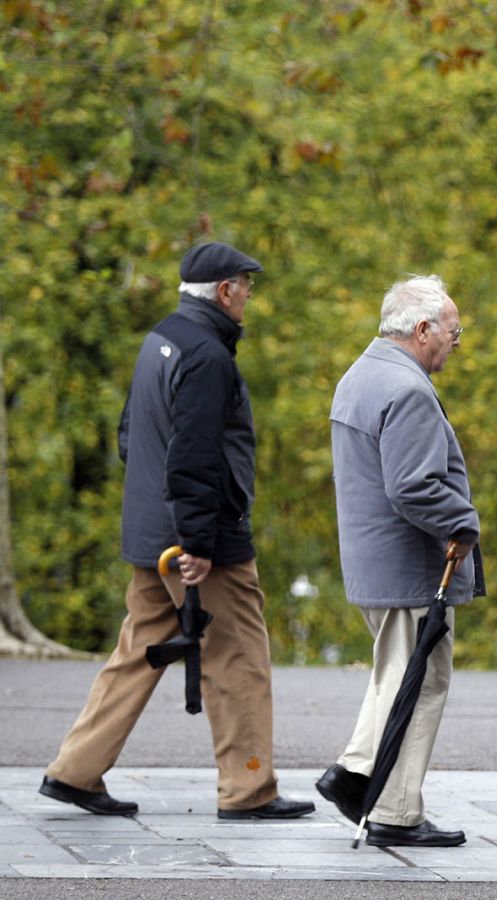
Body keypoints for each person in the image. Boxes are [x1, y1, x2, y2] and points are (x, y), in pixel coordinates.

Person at [41, 241, 315, 820]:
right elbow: (193, 456)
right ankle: (248, 789)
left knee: (138, 652)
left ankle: (75, 770)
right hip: (198, 542)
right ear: (225, 291)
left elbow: (129, 435)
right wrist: (197, 542)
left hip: (151, 531)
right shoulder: (208, 356)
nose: (250, 295)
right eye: (246, 285)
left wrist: (164, 520)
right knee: (238, 658)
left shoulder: (160, 339)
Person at [315, 275, 484, 847]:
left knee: (396, 674)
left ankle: (357, 775)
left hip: (375, 560)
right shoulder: (407, 388)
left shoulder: (360, 374)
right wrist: (463, 522)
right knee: (421, 681)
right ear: (423, 329)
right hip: (409, 565)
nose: (456, 342)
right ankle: (392, 808)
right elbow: (414, 486)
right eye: (454, 332)